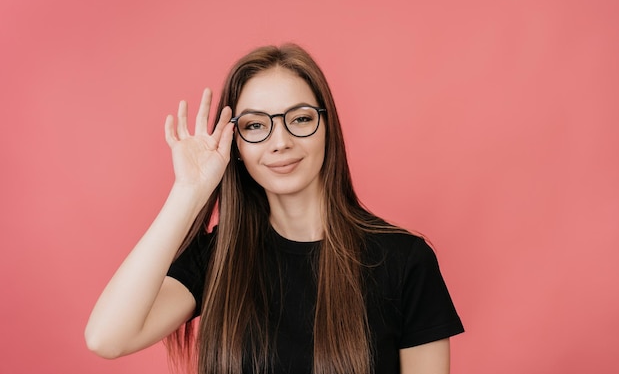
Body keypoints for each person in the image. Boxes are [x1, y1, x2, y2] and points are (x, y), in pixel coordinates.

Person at [85, 43, 464, 374]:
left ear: (327, 127)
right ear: (236, 145)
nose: (279, 142)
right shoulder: (219, 257)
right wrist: (189, 191)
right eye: (255, 126)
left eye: (300, 119)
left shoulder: (404, 261)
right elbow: (107, 338)